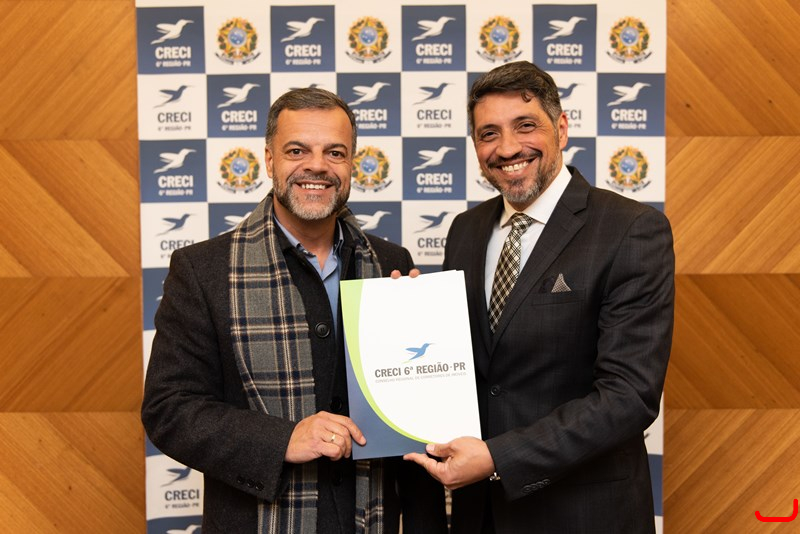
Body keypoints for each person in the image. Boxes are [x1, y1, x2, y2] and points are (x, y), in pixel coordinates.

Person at [142, 87, 447, 534]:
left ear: (351, 163)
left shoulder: (390, 263)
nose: (317, 166)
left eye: (335, 152)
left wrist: (427, 362)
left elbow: (413, 422)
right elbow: (169, 410)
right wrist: (283, 439)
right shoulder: (203, 270)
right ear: (269, 160)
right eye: (297, 150)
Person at [404, 61, 675, 533]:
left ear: (561, 128)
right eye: (488, 134)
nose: (508, 148)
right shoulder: (465, 230)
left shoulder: (630, 229)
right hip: (480, 515)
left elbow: (628, 396)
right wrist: (408, 318)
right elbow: (468, 362)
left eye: (525, 126)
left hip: (584, 515)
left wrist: (498, 457)